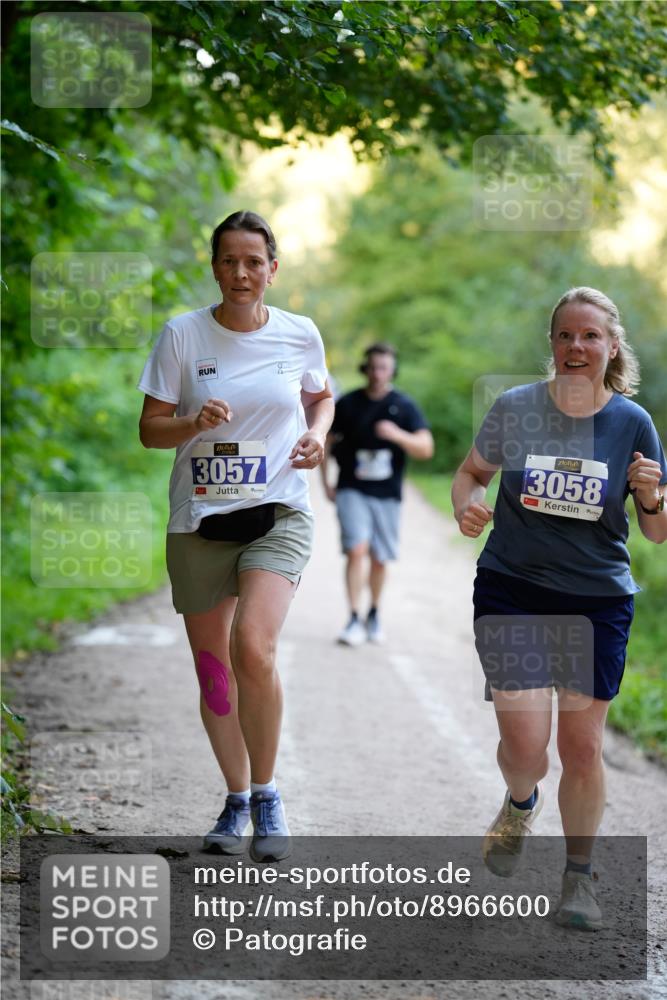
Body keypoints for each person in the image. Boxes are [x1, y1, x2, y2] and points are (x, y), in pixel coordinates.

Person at [452, 287, 666, 931]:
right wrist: (466, 504)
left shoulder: (633, 423)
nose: (577, 347)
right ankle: (521, 802)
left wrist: (652, 497)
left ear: (611, 346)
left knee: (582, 745)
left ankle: (580, 878)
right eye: (566, 335)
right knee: (526, 749)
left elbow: (655, 532)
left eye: (591, 336)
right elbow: (470, 474)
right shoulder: (515, 407)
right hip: (513, 589)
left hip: (596, 601)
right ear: (552, 345)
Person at [138, 210, 333, 862]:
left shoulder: (299, 334)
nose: (242, 273)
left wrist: (319, 434)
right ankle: (234, 796)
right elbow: (150, 429)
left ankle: (268, 792)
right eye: (230, 261)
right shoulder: (182, 336)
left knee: (252, 645)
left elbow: (322, 396)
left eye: (255, 261)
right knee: (214, 672)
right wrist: (193, 420)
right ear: (214, 267)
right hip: (199, 521)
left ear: (272, 270)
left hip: (277, 511)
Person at [321, 343, 434, 646]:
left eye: (383, 367)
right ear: (364, 368)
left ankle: (373, 612)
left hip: (387, 492)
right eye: (372, 366)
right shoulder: (348, 403)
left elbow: (426, 448)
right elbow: (326, 441)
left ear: (392, 370)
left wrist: (396, 434)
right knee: (356, 550)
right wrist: (325, 483)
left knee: (379, 558)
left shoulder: (404, 406)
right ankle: (353, 617)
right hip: (351, 487)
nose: (377, 373)